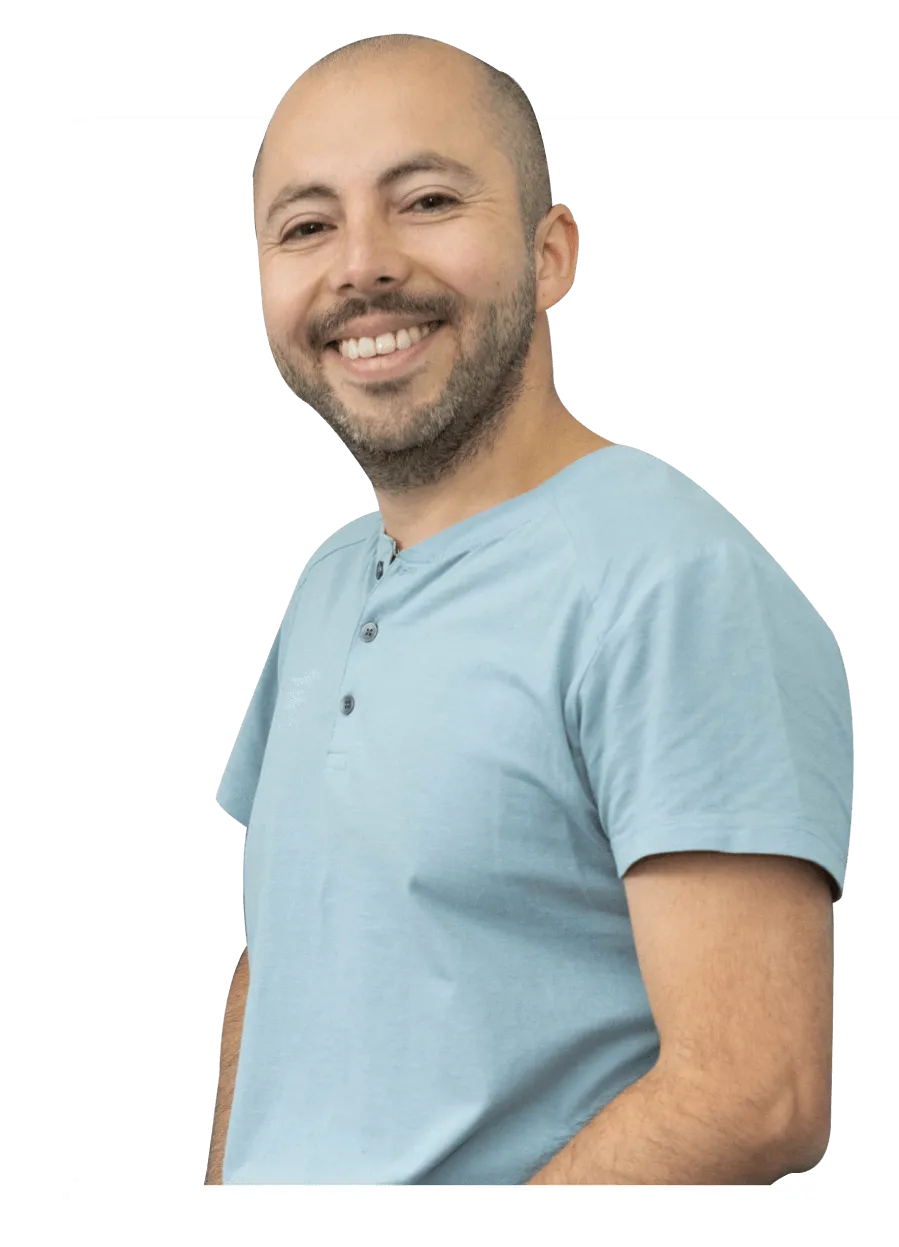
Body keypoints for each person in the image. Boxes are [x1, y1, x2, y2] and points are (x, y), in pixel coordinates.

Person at [210, 33, 851, 1186]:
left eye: (427, 200)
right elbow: (280, 973)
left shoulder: (673, 579)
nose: (362, 265)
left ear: (552, 253)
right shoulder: (326, 581)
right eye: (306, 225)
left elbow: (755, 1093)